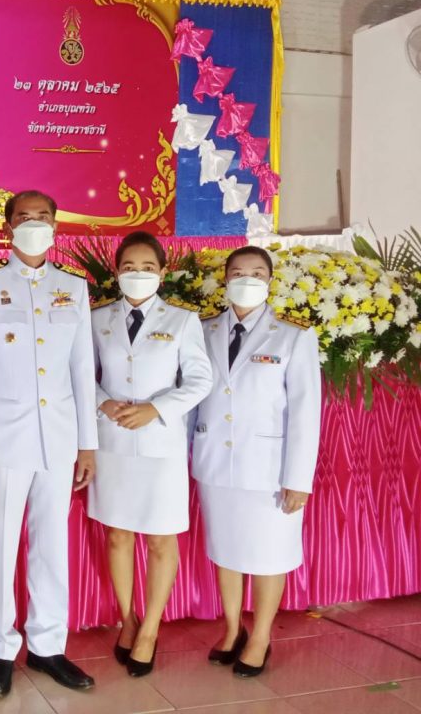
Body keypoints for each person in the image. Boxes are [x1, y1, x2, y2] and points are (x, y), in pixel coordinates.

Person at [0, 190, 98, 697]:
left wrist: (88, 443)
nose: (34, 224)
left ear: (56, 226)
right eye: (24, 217)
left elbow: (82, 368)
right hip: (3, 437)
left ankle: (47, 645)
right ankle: (0, 647)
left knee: (52, 542)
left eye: (42, 217)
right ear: (7, 227)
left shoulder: (73, 286)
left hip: (58, 437)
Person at [86, 232, 213, 677]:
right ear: (116, 271)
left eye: (146, 267)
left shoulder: (182, 319)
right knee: (118, 536)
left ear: (162, 272)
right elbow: (80, 374)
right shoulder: (97, 318)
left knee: (161, 539)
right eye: (129, 267)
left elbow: (200, 380)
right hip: (113, 443)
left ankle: (151, 629)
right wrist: (103, 402)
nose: (137, 274)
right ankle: (128, 619)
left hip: (161, 446)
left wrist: (157, 409)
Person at [192, 245, 321, 677]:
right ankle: (232, 629)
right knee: (226, 550)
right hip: (215, 461)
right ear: (225, 279)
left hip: (268, 468)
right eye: (238, 272)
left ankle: (261, 635)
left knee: (270, 554)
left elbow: (305, 412)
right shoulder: (203, 330)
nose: (246, 279)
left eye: (257, 273)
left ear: (269, 281)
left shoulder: (293, 336)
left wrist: (298, 478)